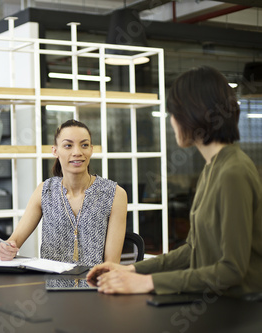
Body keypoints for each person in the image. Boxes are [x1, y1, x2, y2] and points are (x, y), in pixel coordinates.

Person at [86, 66, 262, 298]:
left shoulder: (233, 171)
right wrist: (131, 270)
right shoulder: (212, 168)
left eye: (174, 114)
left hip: (239, 309)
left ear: (193, 113)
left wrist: (147, 282)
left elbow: (231, 270)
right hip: (214, 301)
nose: (172, 122)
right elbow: (192, 250)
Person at [0, 119, 127, 266]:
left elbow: (111, 265)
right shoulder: (45, 190)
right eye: (68, 145)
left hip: (94, 285)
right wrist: (7, 249)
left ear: (91, 150)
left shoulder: (115, 194)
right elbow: (14, 242)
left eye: (84, 145)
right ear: (55, 151)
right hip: (50, 286)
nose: (77, 152)